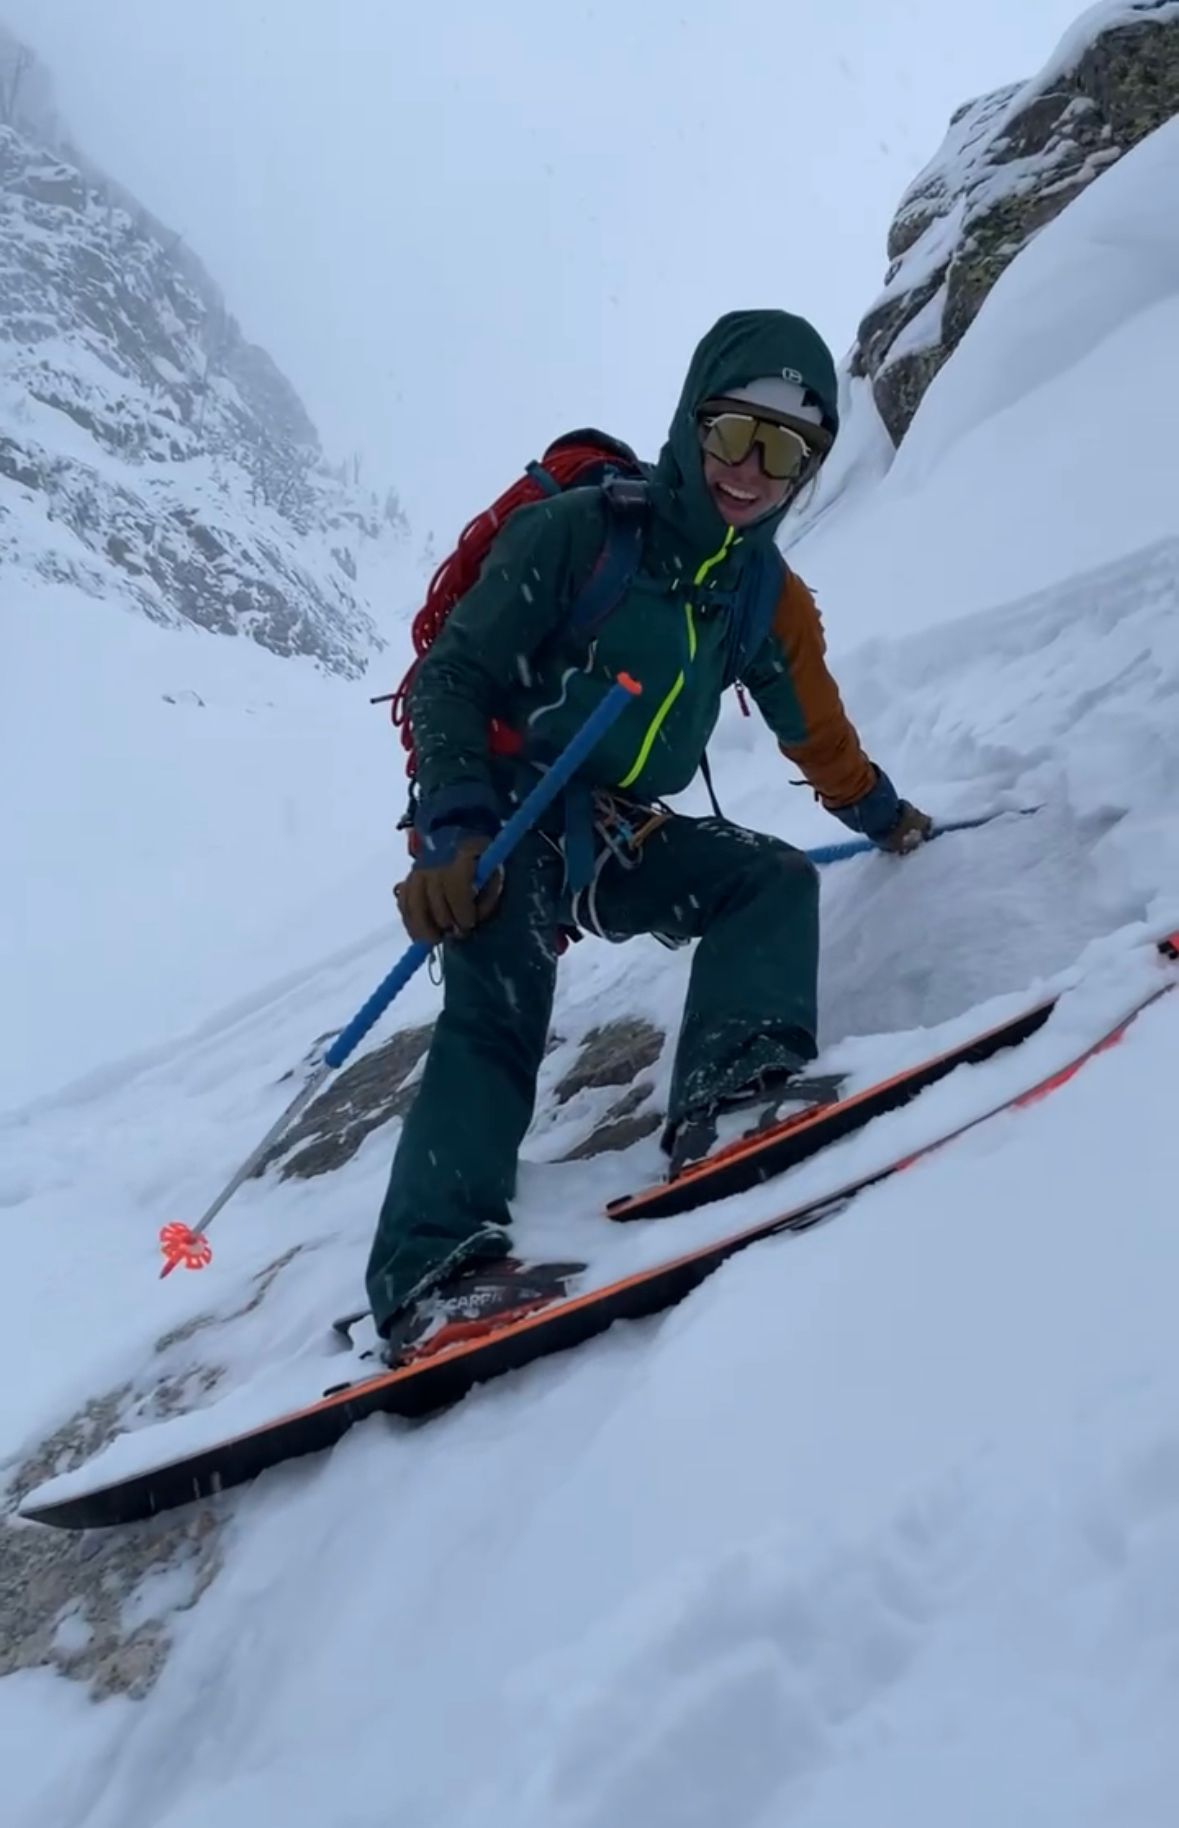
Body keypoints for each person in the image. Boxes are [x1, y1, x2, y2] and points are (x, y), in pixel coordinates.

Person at [367, 309, 930, 1355]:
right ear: (691, 423)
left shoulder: (761, 594)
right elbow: (452, 675)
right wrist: (450, 827)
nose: (753, 471)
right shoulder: (579, 534)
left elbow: (816, 727)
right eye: (734, 435)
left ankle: (734, 1098)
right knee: (500, 1006)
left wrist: (884, 815)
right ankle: (429, 1275)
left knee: (769, 880)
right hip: (502, 809)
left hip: (617, 824)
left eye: (788, 451)